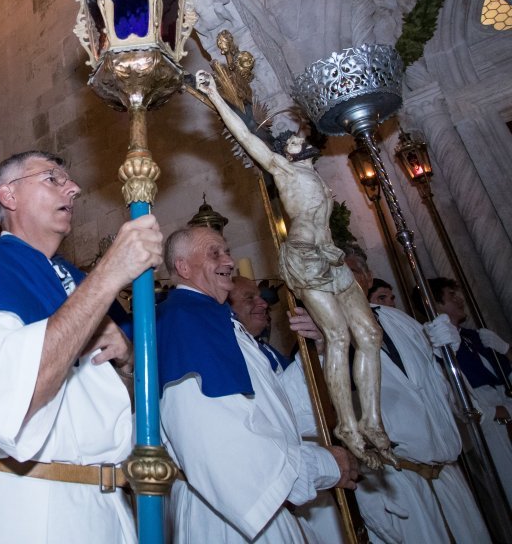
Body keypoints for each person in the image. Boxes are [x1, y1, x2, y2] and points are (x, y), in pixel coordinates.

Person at [0, 150, 163, 542]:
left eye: (69, 180)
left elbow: (117, 407)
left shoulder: (75, 281)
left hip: (104, 509)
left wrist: (128, 361)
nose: (75, 188)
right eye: (52, 178)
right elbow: (12, 397)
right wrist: (111, 272)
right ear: (9, 196)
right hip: (22, 507)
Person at [195, 69, 393, 469]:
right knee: (336, 336)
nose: (298, 140)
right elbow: (248, 138)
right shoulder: (282, 170)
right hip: (305, 256)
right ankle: (347, 427)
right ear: (285, 151)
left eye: (300, 137)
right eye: (292, 140)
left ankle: (372, 420)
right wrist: (215, 95)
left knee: (369, 334)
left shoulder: (316, 176)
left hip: (332, 257)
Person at [157, 226, 358, 543]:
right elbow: (216, 440)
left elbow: (280, 410)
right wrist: (320, 465)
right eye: (215, 253)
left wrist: (320, 349)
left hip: (256, 509)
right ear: (183, 267)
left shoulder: (217, 319)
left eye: (227, 250)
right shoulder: (187, 319)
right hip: (230, 515)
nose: (229, 260)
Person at [344, 254, 491, 543]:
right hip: (401, 483)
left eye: (351, 271)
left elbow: (447, 395)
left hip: (449, 475)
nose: (344, 280)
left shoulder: (398, 319)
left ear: (368, 277)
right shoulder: (334, 336)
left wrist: (446, 353)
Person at [228, 275, 346, 543]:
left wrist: (320, 346)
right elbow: (281, 418)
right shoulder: (229, 356)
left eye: (260, 296)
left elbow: (313, 405)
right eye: (250, 298)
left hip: (315, 485)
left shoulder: (268, 353)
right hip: (277, 490)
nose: (263, 303)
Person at [425, 276, 512, 504]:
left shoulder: (475, 336)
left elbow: (506, 371)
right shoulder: (434, 343)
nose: (459, 299)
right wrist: (495, 411)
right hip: (484, 419)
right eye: (451, 296)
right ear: (436, 305)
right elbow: (450, 394)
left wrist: (505, 349)